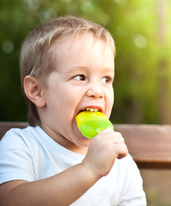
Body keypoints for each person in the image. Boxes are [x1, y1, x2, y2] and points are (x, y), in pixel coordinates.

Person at [0, 16, 146, 205]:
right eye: (80, 76)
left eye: (106, 79)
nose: (97, 91)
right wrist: (89, 169)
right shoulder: (23, 145)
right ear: (37, 91)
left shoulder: (121, 164)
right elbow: (10, 201)